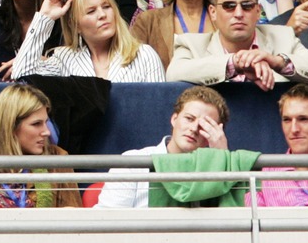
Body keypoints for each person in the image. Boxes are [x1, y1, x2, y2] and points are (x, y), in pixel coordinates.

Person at [167, 0, 308, 90]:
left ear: (258, 11)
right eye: (229, 6)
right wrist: (235, 63)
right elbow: (173, 75)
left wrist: (277, 62)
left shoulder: (283, 37)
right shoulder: (191, 43)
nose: (239, 14)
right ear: (213, 12)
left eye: (247, 6)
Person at [95, 86, 230, 208]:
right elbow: (106, 222)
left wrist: (223, 158)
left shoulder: (220, 169)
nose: (194, 128)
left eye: (204, 126)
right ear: (174, 119)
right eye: (189, 118)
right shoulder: (132, 162)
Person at [11, 0, 165, 82]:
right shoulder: (64, 59)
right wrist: (45, 17)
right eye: (91, 11)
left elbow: (158, 111)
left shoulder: (144, 55)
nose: (102, 15)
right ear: (75, 25)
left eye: (106, 7)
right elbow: (22, 76)